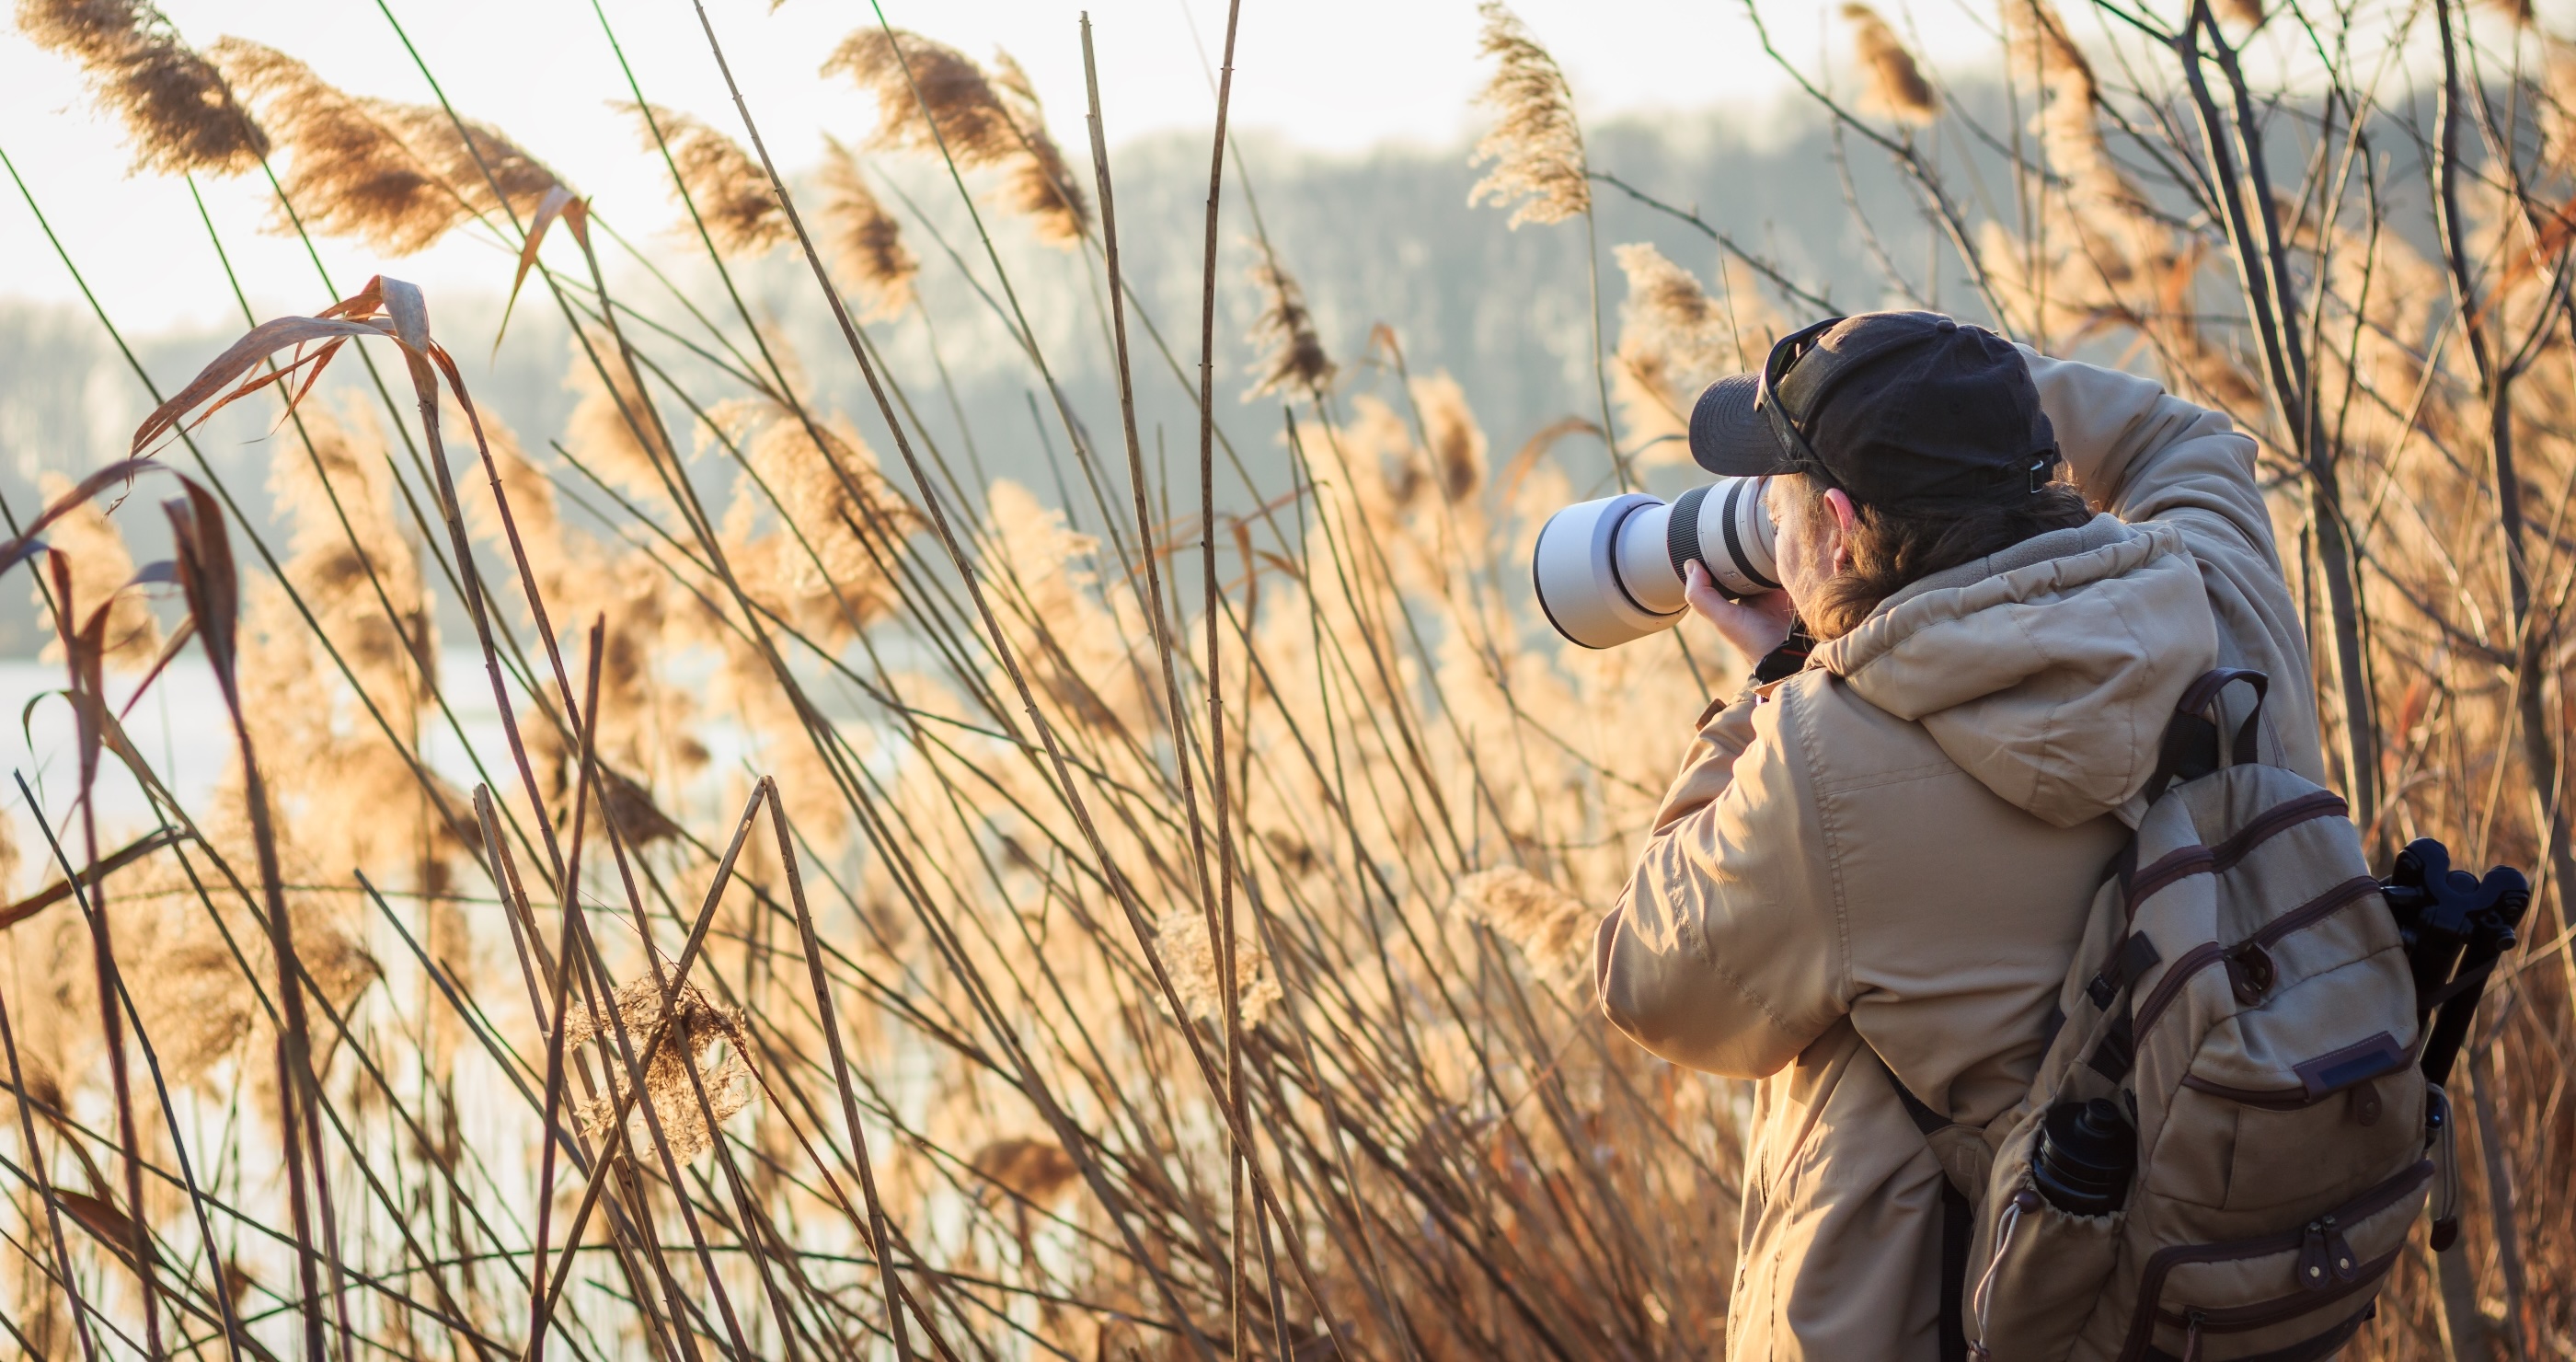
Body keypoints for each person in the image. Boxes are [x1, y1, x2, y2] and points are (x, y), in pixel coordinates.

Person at [1593, 311, 2328, 1360]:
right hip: (2225, 1301)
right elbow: (2183, 438)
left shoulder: (1822, 760)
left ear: (1839, 526)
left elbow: (1644, 976)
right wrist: (1954, 390)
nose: (1765, 523)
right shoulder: (2213, 590)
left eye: (1780, 501)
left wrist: (1766, 692)